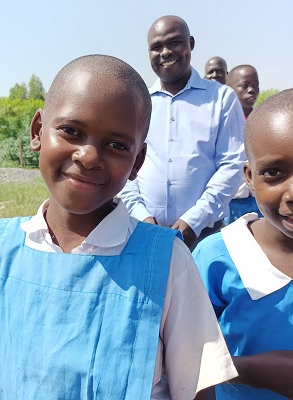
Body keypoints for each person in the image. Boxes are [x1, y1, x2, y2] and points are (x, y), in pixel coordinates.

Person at [0, 55, 237, 399]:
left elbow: (197, 390)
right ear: (37, 132)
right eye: (72, 131)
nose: (89, 156)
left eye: (116, 145)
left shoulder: (168, 261)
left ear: (137, 161)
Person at [193, 89, 293, 399]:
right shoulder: (217, 258)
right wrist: (248, 370)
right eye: (274, 173)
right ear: (249, 177)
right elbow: (179, 355)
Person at [118, 15, 246, 249]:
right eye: (156, 47)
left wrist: (194, 220)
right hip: (142, 232)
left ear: (191, 44)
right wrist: (140, 215)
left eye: (174, 42)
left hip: (203, 237)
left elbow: (232, 164)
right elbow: (125, 164)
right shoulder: (139, 102)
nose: (165, 52)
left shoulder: (221, 98)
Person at [223, 64, 262, 224]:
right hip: (229, 202)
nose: (251, 90)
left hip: (258, 201)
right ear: (229, 89)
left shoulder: (263, 121)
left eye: (255, 85)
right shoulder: (223, 124)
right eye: (244, 86)